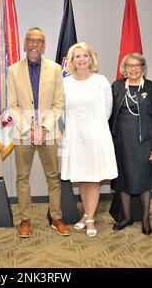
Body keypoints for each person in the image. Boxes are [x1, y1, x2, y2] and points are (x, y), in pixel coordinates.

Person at [8, 27, 70, 238]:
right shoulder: (13, 70)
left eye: (39, 41)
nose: (34, 44)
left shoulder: (54, 69)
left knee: (53, 177)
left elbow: (58, 103)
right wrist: (29, 129)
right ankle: (25, 219)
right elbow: (12, 105)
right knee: (22, 177)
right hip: (22, 131)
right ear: (25, 44)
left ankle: (56, 217)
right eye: (31, 40)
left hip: (49, 132)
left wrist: (43, 128)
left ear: (44, 45)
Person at [60, 42, 118, 237]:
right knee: (82, 178)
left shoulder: (100, 81)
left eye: (85, 55)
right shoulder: (65, 83)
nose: (82, 59)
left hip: (95, 135)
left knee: (93, 179)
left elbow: (107, 111)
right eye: (77, 56)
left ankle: (90, 219)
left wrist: (95, 130)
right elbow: (63, 113)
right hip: (75, 136)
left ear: (91, 59)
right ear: (71, 60)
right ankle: (86, 214)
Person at [110, 52, 152, 235]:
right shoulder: (116, 87)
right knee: (122, 181)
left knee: (144, 182)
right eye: (129, 65)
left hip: (144, 144)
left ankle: (146, 219)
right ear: (124, 69)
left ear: (143, 68)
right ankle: (126, 217)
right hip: (120, 143)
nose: (132, 69)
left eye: (137, 65)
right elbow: (108, 116)